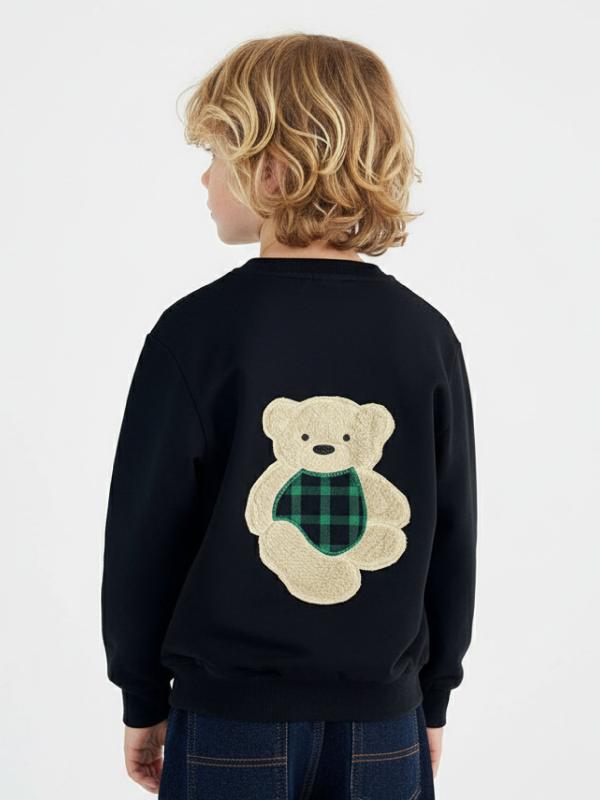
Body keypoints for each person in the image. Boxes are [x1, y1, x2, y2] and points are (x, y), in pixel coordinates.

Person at [101, 33, 478, 800]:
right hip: (385, 721)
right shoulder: (425, 337)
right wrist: (433, 698)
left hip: (230, 718)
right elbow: (451, 533)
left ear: (272, 166)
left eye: (215, 154)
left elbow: (144, 533)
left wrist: (141, 697)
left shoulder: (195, 332)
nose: (204, 177)